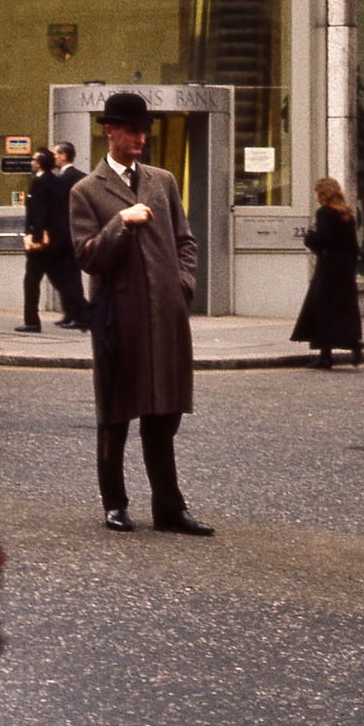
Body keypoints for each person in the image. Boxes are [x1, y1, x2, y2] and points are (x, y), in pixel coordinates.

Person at [69, 92, 213, 536]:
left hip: (165, 316)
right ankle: (115, 503)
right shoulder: (86, 191)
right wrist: (121, 222)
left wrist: (182, 285)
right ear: (108, 130)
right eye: (130, 130)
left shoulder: (162, 180)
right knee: (115, 411)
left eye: (144, 130)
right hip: (118, 318)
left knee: (162, 412)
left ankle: (169, 508)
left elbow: (185, 241)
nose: (139, 138)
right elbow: (87, 256)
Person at [290, 176, 364, 369]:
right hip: (345, 268)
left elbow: (323, 238)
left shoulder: (325, 213)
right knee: (343, 309)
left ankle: (325, 356)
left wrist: (309, 237)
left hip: (329, 267)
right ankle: (353, 343)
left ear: (323, 194)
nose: (315, 196)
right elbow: (353, 245)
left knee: (322, 309)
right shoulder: (347, 214)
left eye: (317, 192)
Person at [16, 148, 88, 333]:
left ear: (39, 163)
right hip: (58, 242)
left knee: (31, 282)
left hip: (42, 244)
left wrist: (35, 239)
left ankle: (31, 322)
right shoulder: (58, 182)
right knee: (62, 282)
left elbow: (39, 213)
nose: (31, 162)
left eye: (33, 160)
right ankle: (88, 315)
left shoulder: (40, 183)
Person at [52, 142, 89, 328]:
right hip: (71, 234)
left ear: (64, 156)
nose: (53, 157)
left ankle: (80, 315)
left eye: (55, 154)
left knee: (68, 277)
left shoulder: (66, 179)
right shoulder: (81, 177)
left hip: (65, 237)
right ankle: (70, 313)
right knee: (67, 276)